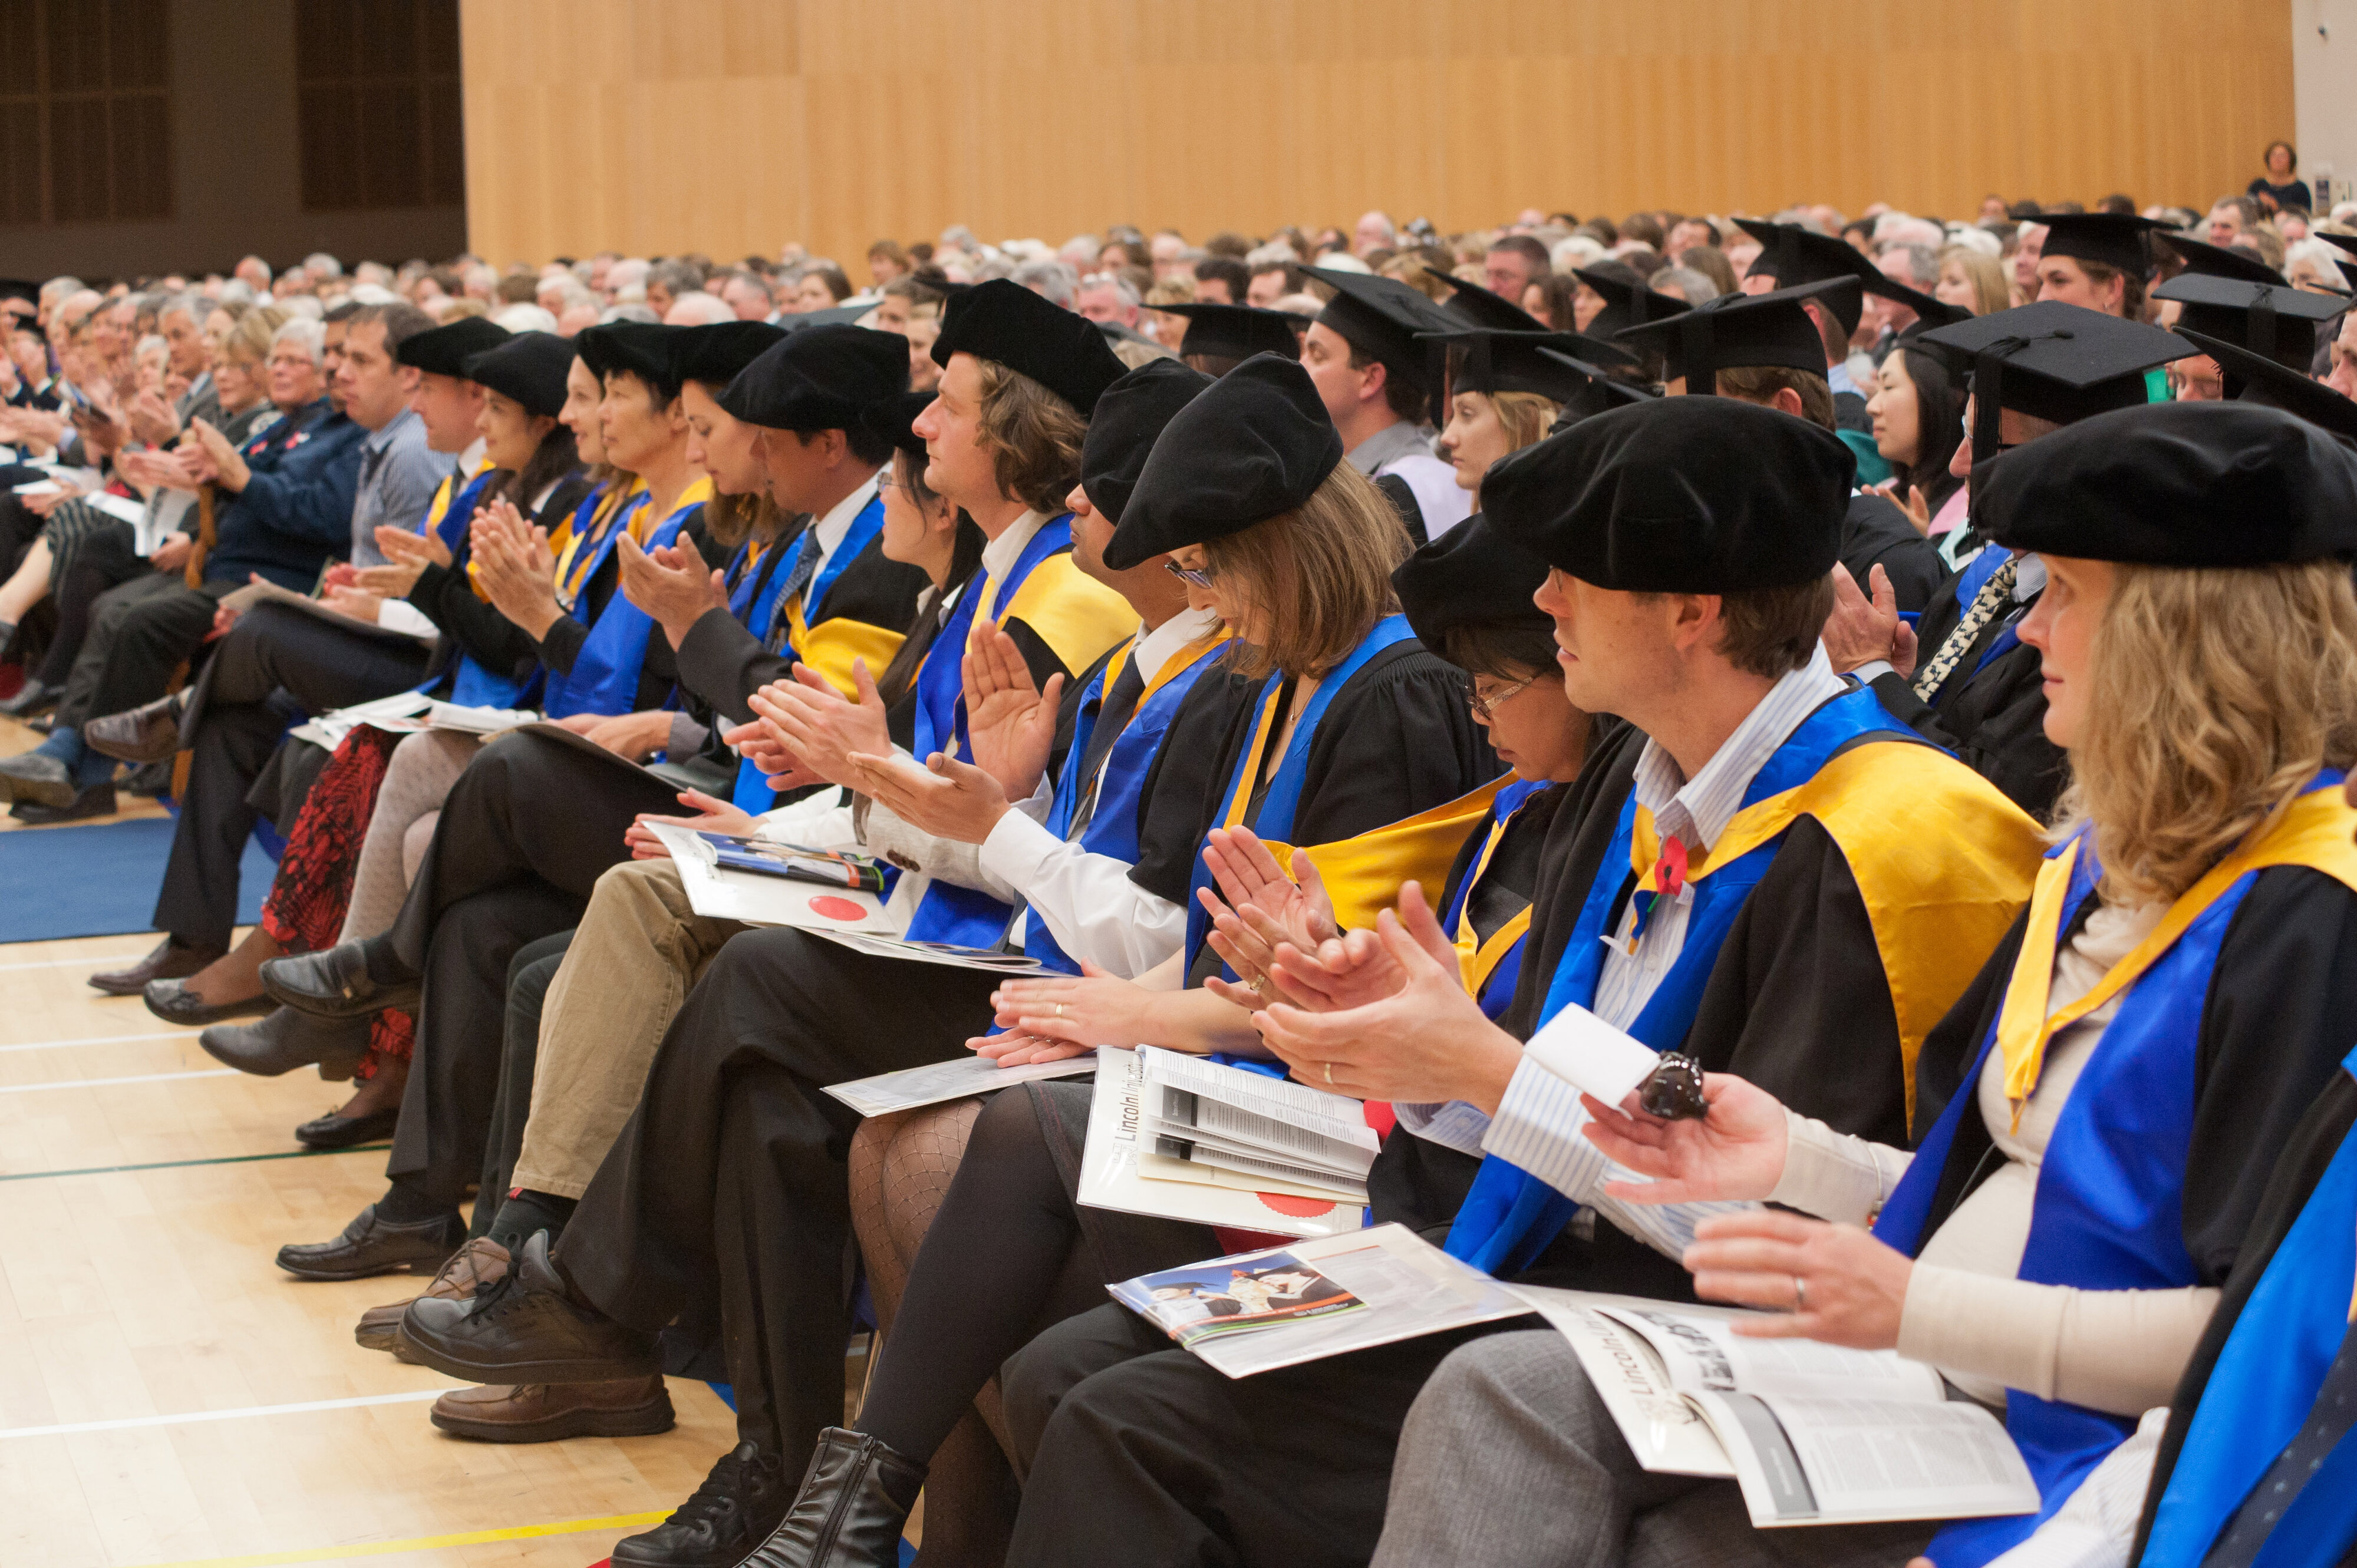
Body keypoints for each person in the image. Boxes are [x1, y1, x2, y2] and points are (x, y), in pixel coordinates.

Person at [984, 394, 2045, 1568]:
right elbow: (1507, 1090)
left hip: (1684, 1334)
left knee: (1124, 1428)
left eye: (1573, 576)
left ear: (1691, 611)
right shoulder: (1631, 784)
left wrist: (1483, 1068)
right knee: (1059, 1369)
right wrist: (1400, 1033)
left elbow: (1779, 1224)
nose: (1540, 605)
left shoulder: (1890, 838)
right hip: (1529, 1252)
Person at [1380, 400, 2357, 1568]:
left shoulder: (1893, 834)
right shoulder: (2084, 860)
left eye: (2064, 597)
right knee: (1474, 1399)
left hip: (2036, 1420)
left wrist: (1493, 1071)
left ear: (2177, 639)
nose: (2026, 631)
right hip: (1851, 1326)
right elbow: (1710, 1080)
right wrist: (1780, 1141)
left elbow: (2268, 1339)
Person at [391, 352, 1245, 1568]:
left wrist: (938, 801)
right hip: (985, 942)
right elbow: (977, 834)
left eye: (1102, 500)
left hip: (1056, 992)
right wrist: (907, 802)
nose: (1077, 513)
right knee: (755, 1091)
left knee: (754, 981)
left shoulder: (1119, 642)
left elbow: (1124, 914)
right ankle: (775, 1475)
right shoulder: (1120, 658)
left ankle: (594, 1300)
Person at [0, 305, 388, 823]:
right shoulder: (297, 425)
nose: (283, 369)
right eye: (279, 358)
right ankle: (67, 753)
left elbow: (316, 513)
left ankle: (84, 772)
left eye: (298, 360)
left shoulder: (348, 435)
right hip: (223, 560)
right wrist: (205, 470)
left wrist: (230, 475)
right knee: (115, 606)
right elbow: (233, 475)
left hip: (270, 578)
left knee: (140, 619)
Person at [1823, 302, 2194, 820]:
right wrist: (1910, 680)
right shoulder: (1990, 578)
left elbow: (1987, 804)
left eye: (1981, 442)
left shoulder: (2101, 625)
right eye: (1962, 433)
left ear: (2064, 463)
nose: (1957, 463)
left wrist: (1873, 676)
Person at [1613, 279, 1944, 612]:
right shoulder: (1703, 540)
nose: (1674, 444)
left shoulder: (1888, 564)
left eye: (1695, 420)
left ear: (1785, 411)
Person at [1298, 266, 1471, 544]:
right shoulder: (1341, 473)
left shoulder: (1402, 495)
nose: (1299, 367)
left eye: (1318, 356)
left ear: (1370, 378)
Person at [1868, 341, 1969, 534]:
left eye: (1888, 387)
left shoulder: (1972, 518)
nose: (1871, 407)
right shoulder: (1881, 494)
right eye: (1876, 390)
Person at [2248, 139, 2310, 213]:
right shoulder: (2257, 186)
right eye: (2274, 155)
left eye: (2282, 156)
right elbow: (2246, 212)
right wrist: (2260, 206)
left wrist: (2276, 208)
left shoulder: (2300, 188)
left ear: (2291, 161)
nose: (2277, 159)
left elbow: (2305, 216)